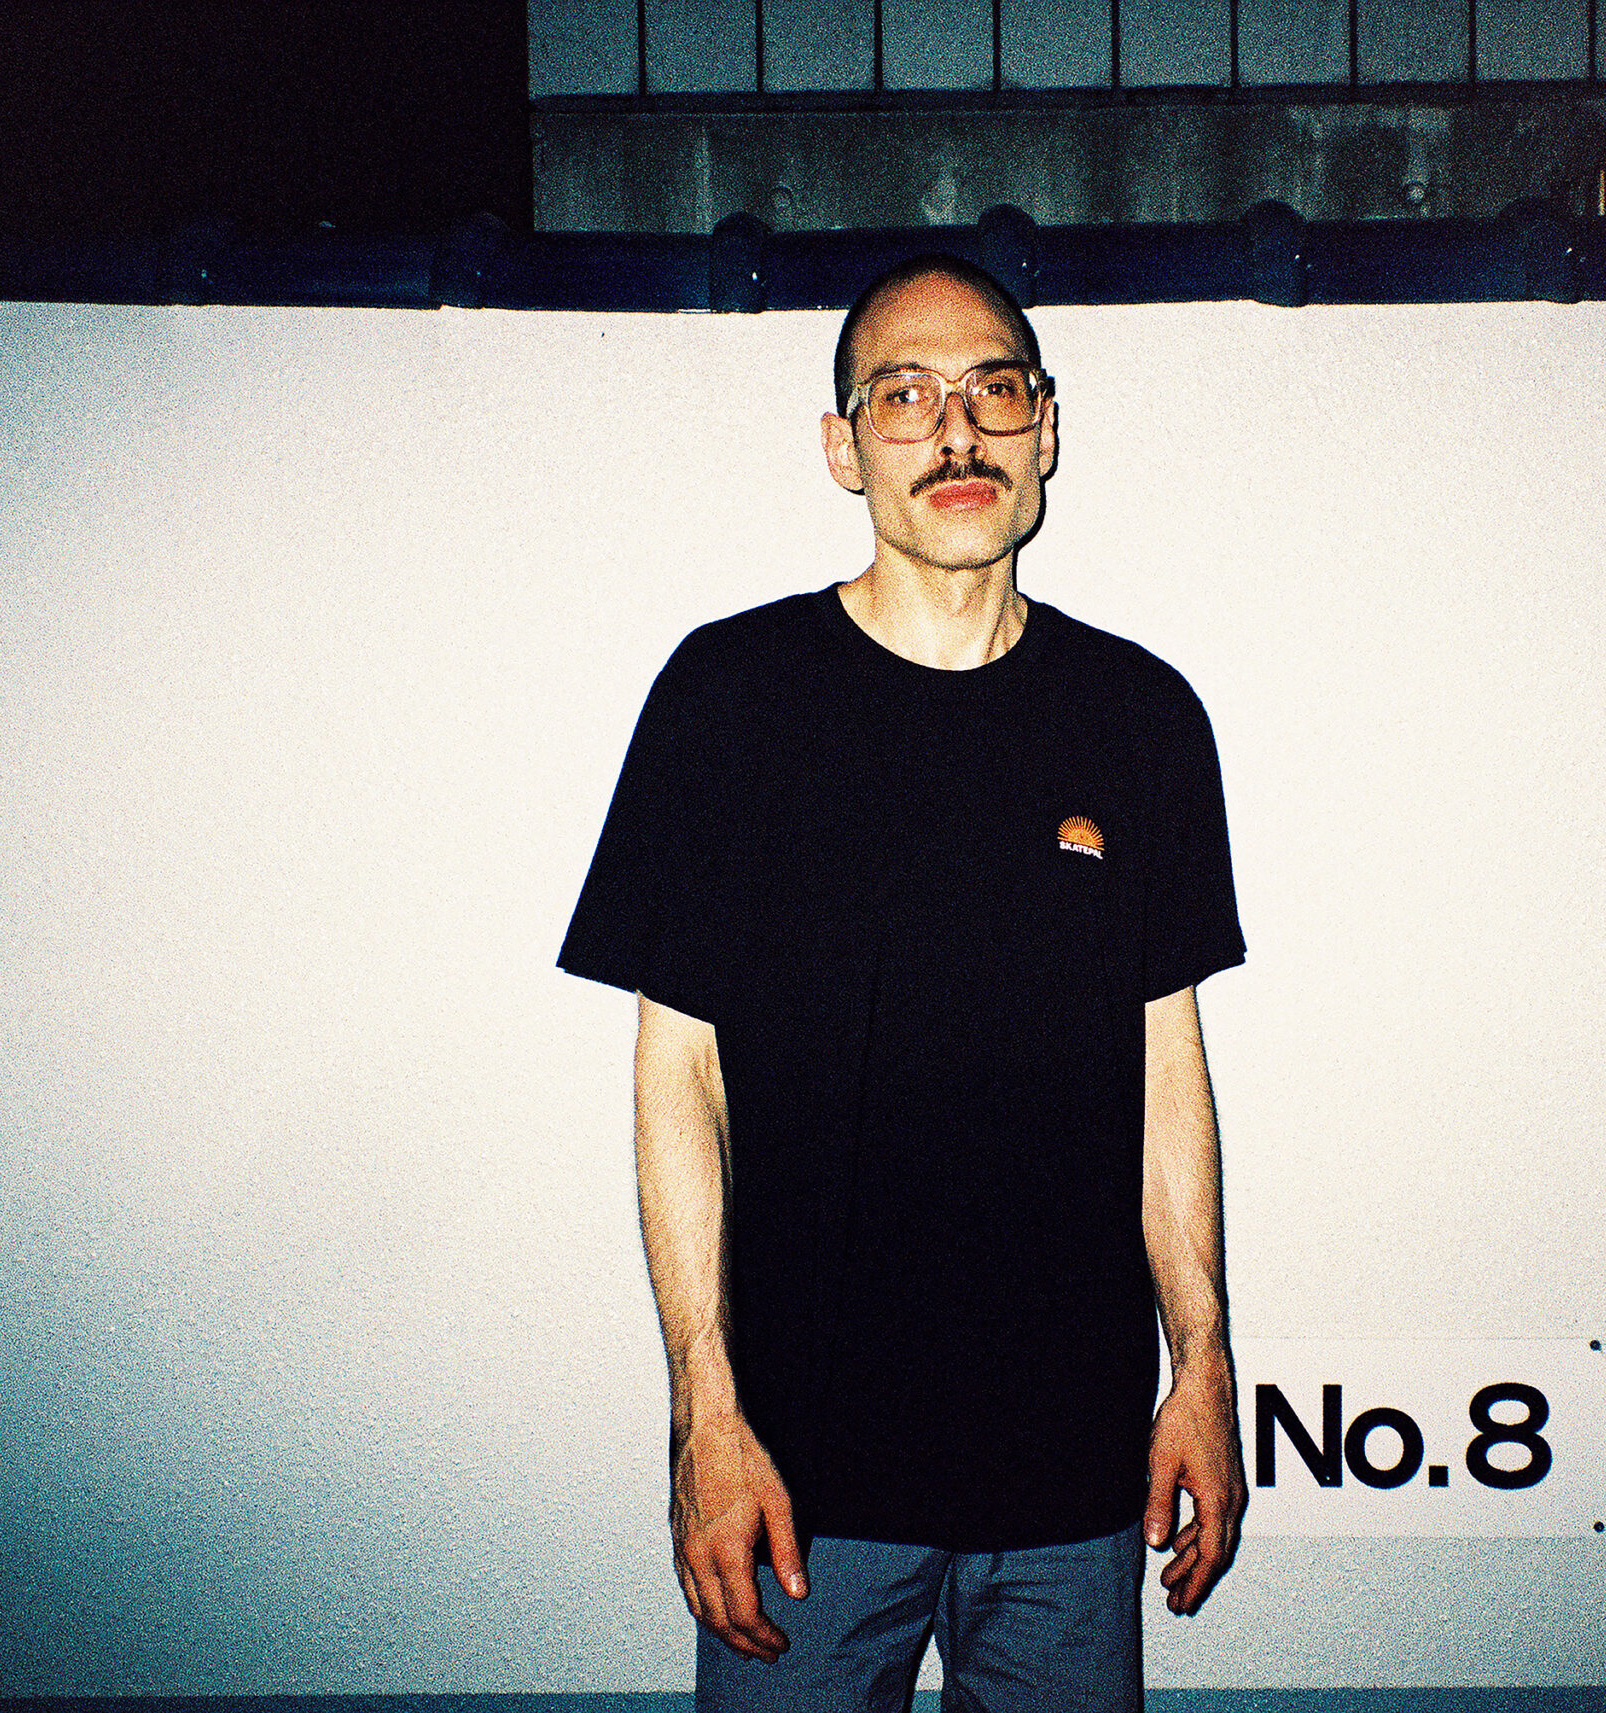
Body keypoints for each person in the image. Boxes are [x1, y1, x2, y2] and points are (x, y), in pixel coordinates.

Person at [558, 253, 1246, 1711]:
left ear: (1045, 428)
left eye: (994, 389)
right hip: (801, 1486)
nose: (956, 431)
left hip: (1072, 1478)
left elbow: (1167, 1073)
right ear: (844, 446)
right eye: (905, 395)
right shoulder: (727, 702)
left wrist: (1202, 1359)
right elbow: (678, 1081)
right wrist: (704, 1416)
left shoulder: (1141, 717)